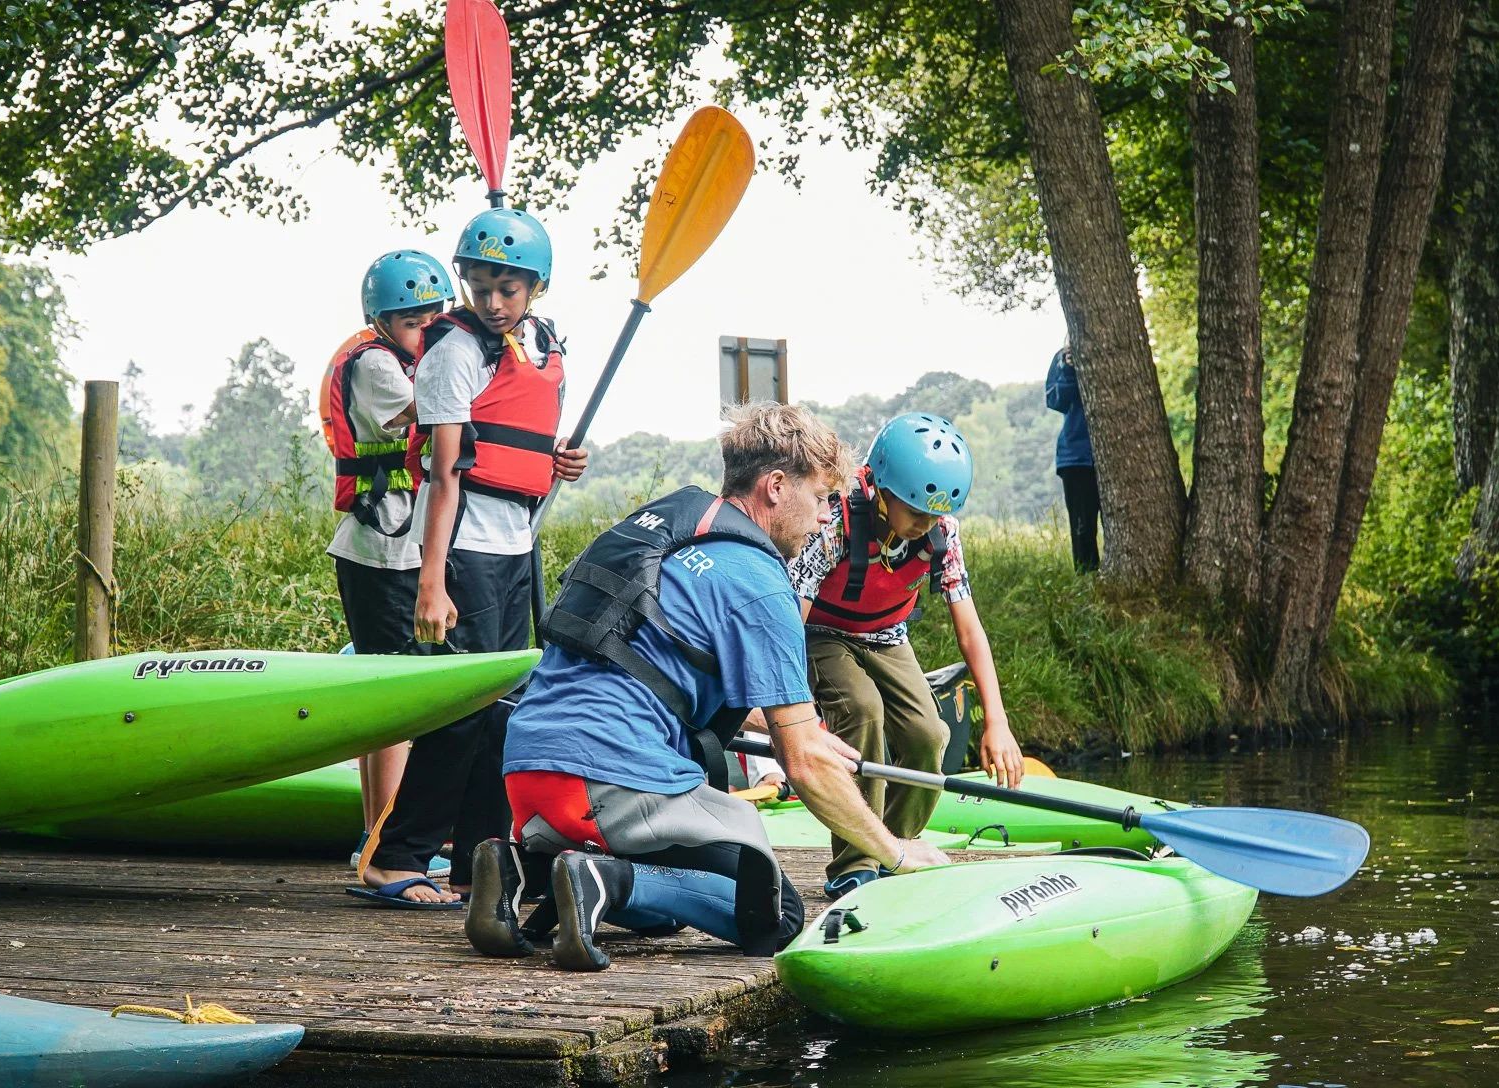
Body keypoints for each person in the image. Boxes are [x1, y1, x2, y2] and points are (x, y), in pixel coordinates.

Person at [465, 403, 952, 970]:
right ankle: (604, 877)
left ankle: (520, 868)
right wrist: (894, 853)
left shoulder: (660, 530)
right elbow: (805, 768)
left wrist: (809, 733)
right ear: (775, 487)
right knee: (775, 912)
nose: (825, 517)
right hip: (608, 781)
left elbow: (653, 671)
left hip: (528, 774)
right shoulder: (762, 583)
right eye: (820, 498)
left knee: (673, 900)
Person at [352, 207, 588, 908]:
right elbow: (445, 474)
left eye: (507, 289)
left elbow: (522, 440)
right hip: (465, 550)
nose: (492, 302)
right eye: (480, 286)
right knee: (462, 710)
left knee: (506, 711)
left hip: (518, 542)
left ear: (534, 289)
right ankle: (393, 858)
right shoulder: (455, 350)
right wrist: (431, 581)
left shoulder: (542, 345)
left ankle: (479, 864)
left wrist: (560, 463)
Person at [784, 411, 1025, 898]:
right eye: (916, 512)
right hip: (820, 634)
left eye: (935, 515)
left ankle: (897, 846)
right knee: (863, 711)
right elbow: (791, 620)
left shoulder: (942, 534)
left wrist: (997, 721)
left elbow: (970, 631)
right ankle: (854, 862)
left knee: (927, 733)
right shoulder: (834, 522)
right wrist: (794, 709)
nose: (926, 525)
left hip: (886, 633)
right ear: (880, 490)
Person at [319, 249, 453, 879]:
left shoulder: (399, 358)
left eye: (433, 320)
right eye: (411, 322)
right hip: (383, 549)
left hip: (393, 547)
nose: (423, 332)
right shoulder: (377, 365)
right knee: (398, 702)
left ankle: (377, 836)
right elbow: (435, 416)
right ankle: (388, 843)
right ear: (383, 320)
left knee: (387, 700)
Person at [1044, 345, 1100, 572]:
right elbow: (1056, 402)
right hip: (1076, 457)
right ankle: (1088, 579)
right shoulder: (1062, 357)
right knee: (1082, 527)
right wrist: (1069, 370)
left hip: (1115, 454)